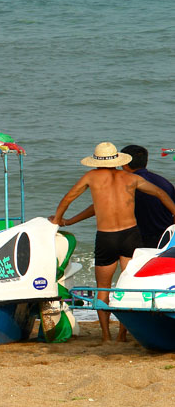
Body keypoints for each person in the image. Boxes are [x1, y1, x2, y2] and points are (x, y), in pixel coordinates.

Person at [51, 142, 175, 342]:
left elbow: (68, 199)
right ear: (117, 160)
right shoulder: (131, 178)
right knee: (127, 287)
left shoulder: (91, 177)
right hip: (130, 236)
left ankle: (107, 336)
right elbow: (161, 194)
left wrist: (59, 220)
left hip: (106, 237)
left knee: (103, 287)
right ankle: (122, 336)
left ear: (96, 161)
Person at [64, 145, 175, 249]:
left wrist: (70, 221)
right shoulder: (165, 182)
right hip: (167, 238)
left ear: (125, 163)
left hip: (142, 238)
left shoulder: (127, 182)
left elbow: (99, 206)